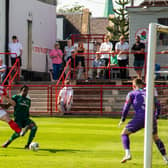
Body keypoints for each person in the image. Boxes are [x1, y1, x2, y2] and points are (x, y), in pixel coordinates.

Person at [118, 78, 168, 164]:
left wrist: (123, 119)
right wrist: (156, 116)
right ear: (142, 85)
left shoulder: (131, 93)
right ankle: (165, 158)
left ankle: (127, 154)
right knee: (156, 138)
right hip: (151, 117)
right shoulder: (149, 93)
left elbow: (126, 107)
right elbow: (158, 104)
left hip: (140, 117)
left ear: (133, 86)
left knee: (124, 134)